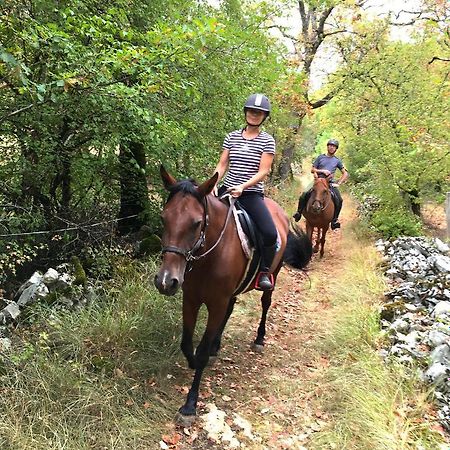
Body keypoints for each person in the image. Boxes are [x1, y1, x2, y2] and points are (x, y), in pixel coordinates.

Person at [213, 93, 277, 291]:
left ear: (264, 116)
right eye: (251, 111)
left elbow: (263, 171)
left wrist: (243, 187)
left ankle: (264, 272)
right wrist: (213, 183)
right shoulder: (231, 136)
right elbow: (222, 164)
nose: (254, 115)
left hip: (250, 194)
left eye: (259, 113)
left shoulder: (267, 140)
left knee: (269, 232)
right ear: (246, 112)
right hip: (227, 189)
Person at [293, 139, 349, 229]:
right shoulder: (320, 157)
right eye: (330, 145)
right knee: (304, 194)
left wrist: (339, 183)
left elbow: (345, 173)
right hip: (317, 181)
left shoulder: (337, 160)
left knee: (339, 199)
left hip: (329, 183)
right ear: (327, 147)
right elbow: (312, 169)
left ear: (336, 149)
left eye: (333, 146)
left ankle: (334, 220)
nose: (331, 147)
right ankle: (299, 212)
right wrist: (322, 171)